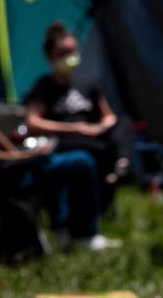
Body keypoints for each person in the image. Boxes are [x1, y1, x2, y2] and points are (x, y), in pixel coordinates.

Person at [0, 52, 120, 251]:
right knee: (81, 161)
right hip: (3, 178)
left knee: (54, 164)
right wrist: (28, 156)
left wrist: (18, 153)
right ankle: (83, 233)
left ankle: (61, 227)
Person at [24, 21, 125, 210]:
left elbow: (109, 116)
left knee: (115, 138)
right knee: (84, 159)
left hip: (93, 141)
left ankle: (100, 207)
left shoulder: (88, 85)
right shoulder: (44, 86)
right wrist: (75, 128)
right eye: (63, 53)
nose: (70, 57)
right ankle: (80, 222)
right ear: (50, 56)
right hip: (61, 143)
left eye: (72, 52)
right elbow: (33, 121)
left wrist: (99, 127)